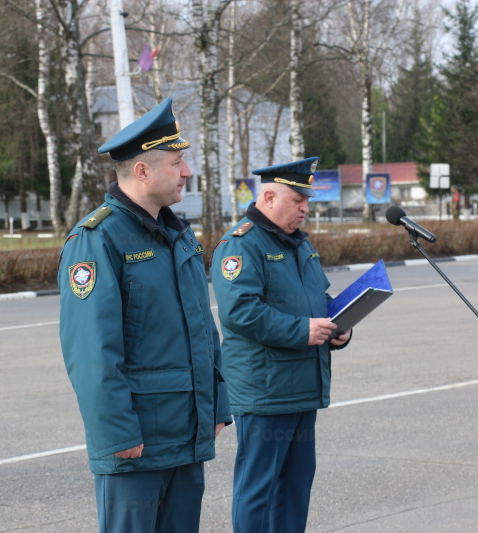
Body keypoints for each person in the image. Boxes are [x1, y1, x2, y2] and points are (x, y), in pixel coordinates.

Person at [58, 97, 232, 533]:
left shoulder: (177, 235)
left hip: (186, 434)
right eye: (177, 162)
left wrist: (216, 405)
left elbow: (203, 329)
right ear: (142, 171)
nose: (187, 172)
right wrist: (117, 434)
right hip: (136, 441)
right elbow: (92, 352)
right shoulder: (98, 240)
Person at [209, 156, 352, 533]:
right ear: (269, 196)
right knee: (258, 490)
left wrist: (341, 330)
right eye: (298, 200)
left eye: (307, 201)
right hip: (266, 391)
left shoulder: (298, 245)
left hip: (303, 386)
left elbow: (317, 302)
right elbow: (240, 312)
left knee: (295, 488)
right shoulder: (241, 246)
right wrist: (302, 331)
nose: (306, 208)